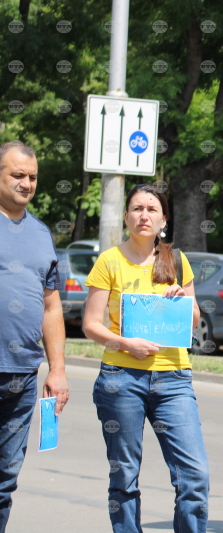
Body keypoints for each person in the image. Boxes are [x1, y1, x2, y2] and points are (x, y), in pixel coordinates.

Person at [83, 184, 209, 532]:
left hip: (174, 380)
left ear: (164, 219)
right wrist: (125, 343)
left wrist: (182, 298)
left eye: (152, 210)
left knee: (195, 476)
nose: (144, 215)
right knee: (124, 475)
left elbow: (194, 319)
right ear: (126, 216)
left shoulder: (176, 260)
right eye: (137, 208)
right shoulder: (109, 261)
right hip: (121, 379)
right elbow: (91, 325)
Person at [0, 141, 69, 532]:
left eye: (32, 177)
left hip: (22, 377)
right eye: (17, 175)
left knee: (4, 481)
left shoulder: (41, 233)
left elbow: (51, 306)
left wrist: (57, 370)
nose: (26, 183)